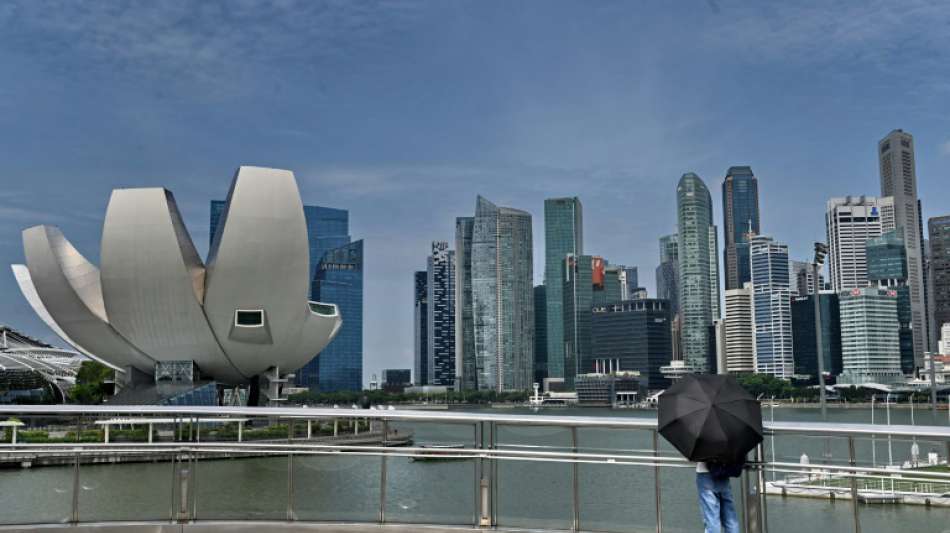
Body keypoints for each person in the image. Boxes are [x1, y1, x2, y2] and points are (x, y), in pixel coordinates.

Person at [696, 461, 740, 533]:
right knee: (730, 518)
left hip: (705, 474)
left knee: (712, 518)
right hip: (723, 473)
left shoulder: (704, 450)